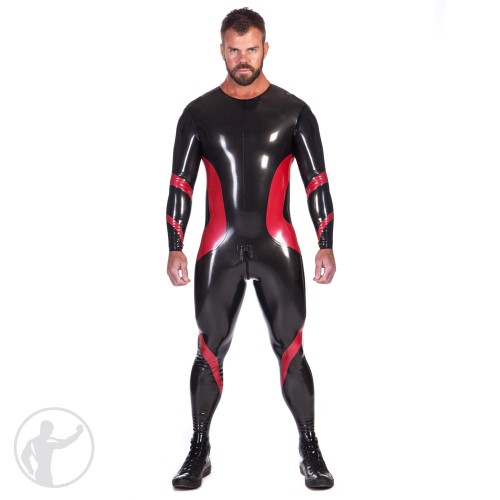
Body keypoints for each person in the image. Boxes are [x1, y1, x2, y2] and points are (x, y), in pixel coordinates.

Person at [166, 7, 336, 490]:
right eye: (234, 50)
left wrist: (325, 243)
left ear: (266, 49)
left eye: (251, 49)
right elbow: (180, 184)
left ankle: (310, 448)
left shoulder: (294, 111)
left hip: (277, 246)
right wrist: (175, 245)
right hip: (217, 248)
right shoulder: (198, 114)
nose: (243, 59)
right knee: (210, 346)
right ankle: (199, 448)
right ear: (222, 50)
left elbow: (317, 181)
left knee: (291, 347)